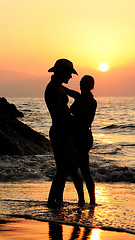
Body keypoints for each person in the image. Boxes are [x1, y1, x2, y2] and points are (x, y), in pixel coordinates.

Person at [45, 59, 85, 207]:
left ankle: (58, 200)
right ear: (62, 73)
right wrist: (80, 125)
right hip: (60, 131)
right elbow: (63, 115)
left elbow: (71, 96)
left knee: (66, 167)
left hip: (61, 130)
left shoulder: (57, 86)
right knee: (64, 169)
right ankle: (52, 201)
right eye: (69, 73)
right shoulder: (54, 89)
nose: (71, 77)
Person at [63, 75, 97, 205]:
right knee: (76, 169)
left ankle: (91, 200)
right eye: (81, 83)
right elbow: (69, 91)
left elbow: (87, 122)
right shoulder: (79, 97)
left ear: (90, 86)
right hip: (77, 137)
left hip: (83, 137)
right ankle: (82, 199)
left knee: (83, 170)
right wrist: (58, 84)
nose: (82, 86)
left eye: (85, 84)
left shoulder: (91, 102)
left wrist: (70, 119)